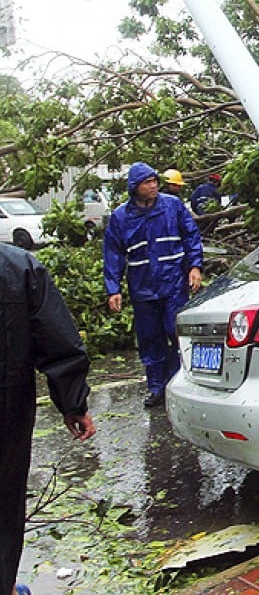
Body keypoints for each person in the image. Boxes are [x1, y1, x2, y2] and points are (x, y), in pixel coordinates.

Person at [1, 243, 96, 595]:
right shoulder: (18, 267)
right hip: (6, 408)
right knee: (4, 499)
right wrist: (74, 404)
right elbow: (56, 338)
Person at [103, 162, 204, 408]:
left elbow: (191, 235)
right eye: (147, 183)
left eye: (154, 181)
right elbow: (113, 254)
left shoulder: (172, 206)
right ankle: (157, 388)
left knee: (175, 331)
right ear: (134, 187)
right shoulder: (121, 217)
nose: (153, 186)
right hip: (143, 288)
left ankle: (180, 383)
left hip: (173, 284)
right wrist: (113, 288)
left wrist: (195, 267)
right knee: (150, 338)